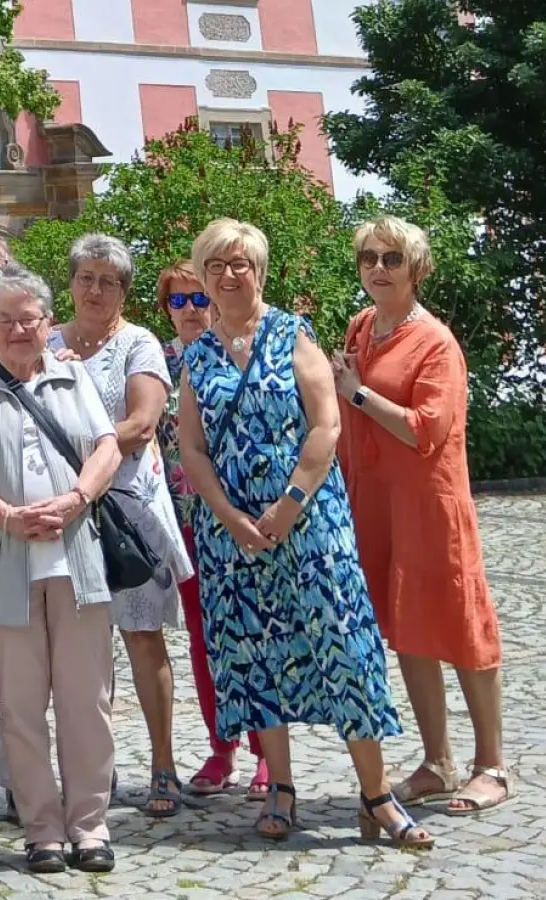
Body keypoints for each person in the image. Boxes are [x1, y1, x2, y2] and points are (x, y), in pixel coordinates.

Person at [179, 217, 434, 848]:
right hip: (233, 534)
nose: (229, 275)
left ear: (260, 271)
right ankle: (281, 788)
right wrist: (229, 516)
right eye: (216, 265)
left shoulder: (291, 333)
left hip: (311, 523)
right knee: (255, 651)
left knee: (344, 646)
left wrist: (290, 503)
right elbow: (192, 449)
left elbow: (325, 425)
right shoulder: (197, 355)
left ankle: (375, 795)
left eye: (240, 264)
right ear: (204, 275)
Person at [0, 263, 122, 873]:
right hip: (5, 563)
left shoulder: (74, 377)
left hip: (77, 562)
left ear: (48, 322)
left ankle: (90, 826)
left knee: (86, 702)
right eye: (4, 320)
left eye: (29, 319)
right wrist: (8, 517)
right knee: (20, 708)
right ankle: (41, 828)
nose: (18, 330)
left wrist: (76, 499)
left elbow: (107, 447)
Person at [334, 215, 509, 814]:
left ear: (417, 269)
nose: (378, 268)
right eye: (368, 258)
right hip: (378, 502)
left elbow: (425, 429)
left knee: (461, 627)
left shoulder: (435, 342)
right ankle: (438, 762)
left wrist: (358, 393)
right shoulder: (362, 327)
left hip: (429, 504)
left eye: (392, 259)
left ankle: (492, 765)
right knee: (407, 628)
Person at [48, 234, 194, 818]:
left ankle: (163, 765)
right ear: (71, 282)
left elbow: (141, 424)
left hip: (126, 510)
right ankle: (92, 771)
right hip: (63, 510)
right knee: (78, 649)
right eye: (86, 277)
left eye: (109, 281)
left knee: (141, 635)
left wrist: (81, 461)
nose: (95, 289)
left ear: (124, 291)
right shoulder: (47, 341)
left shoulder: (138, 344)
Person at [153, 261, 268, 801]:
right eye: (177, 301)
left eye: (199, 298)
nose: (190, 310)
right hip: (186, 521)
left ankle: (268, 753)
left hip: (244, 517)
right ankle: (222, 748)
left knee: (256, 631)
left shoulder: (238, 352)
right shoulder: (157, 363)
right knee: (203, 637)